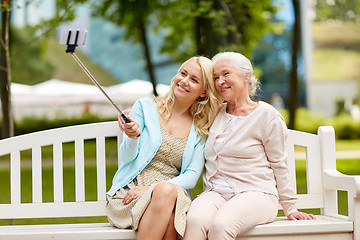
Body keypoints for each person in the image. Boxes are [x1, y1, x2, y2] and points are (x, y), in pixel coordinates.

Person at [183, 52, 315, 240]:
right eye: (215, 77)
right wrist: (137, 117)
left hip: (257, 194)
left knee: (220, 225)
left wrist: (290, 207)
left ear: (246, 76)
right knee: (194, 220)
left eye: (226, 74)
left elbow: (279, 164)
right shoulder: (213, 113)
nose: (220, 81)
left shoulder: (267, 115)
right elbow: (178, 113)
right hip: (216, 193)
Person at [106, 56, 221, 240]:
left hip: (172, 194)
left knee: (169, 204)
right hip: (131, 192)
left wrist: (152, 189)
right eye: (183, 73)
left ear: (204, 92)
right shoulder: (144, 107)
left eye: (194, 79)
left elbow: (191, 176)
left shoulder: (200, 129)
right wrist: (132, 137)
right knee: (170, 220)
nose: (184, 81)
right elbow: (126, 159)